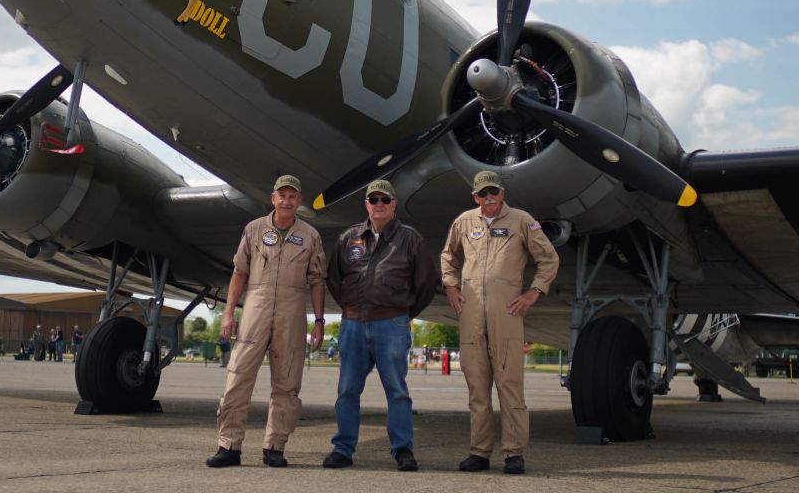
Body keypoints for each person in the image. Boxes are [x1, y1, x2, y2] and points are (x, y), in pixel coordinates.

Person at [441, 171, 559, 475]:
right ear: (475, 197)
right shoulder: (463, 222)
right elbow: (448, 256)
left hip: (506, 313)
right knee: (477, 386)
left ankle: (513, 453)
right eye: (482, 194)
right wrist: (451, 286)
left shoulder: (522, 220)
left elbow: (549, 258)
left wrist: (534, 292)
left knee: (509, 384)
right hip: (471, 313)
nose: (488, 198)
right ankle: (479, 452)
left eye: (493, 191)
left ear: (502, 193)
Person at [206, 175, 327, 469]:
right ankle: (229, 446)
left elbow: (317, 281)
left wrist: (320, 321)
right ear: (272, 198)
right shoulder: (254, 230)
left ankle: (275, 446)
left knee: (287, 383)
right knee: (238, 377)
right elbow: (239, 273)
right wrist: (228, 313)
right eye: (281, 195)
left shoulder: (310, 236)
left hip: (292, 308)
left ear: (299, 201)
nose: (287, 201)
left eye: (292, 196)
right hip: (255, 307)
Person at [322, 179, 438, 472]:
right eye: (373, 199)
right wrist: (352, 306)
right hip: (353, 325)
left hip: (391, 325)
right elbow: (334, 279)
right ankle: (343, 448)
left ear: (394, 204)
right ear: (366, 204)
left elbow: (426, 284)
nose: (379, 204)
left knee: (397, 390)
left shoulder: (411, 239)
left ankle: (402, 450)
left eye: (385, 199)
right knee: (347, 390)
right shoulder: (349, 238)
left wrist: (401, 313)